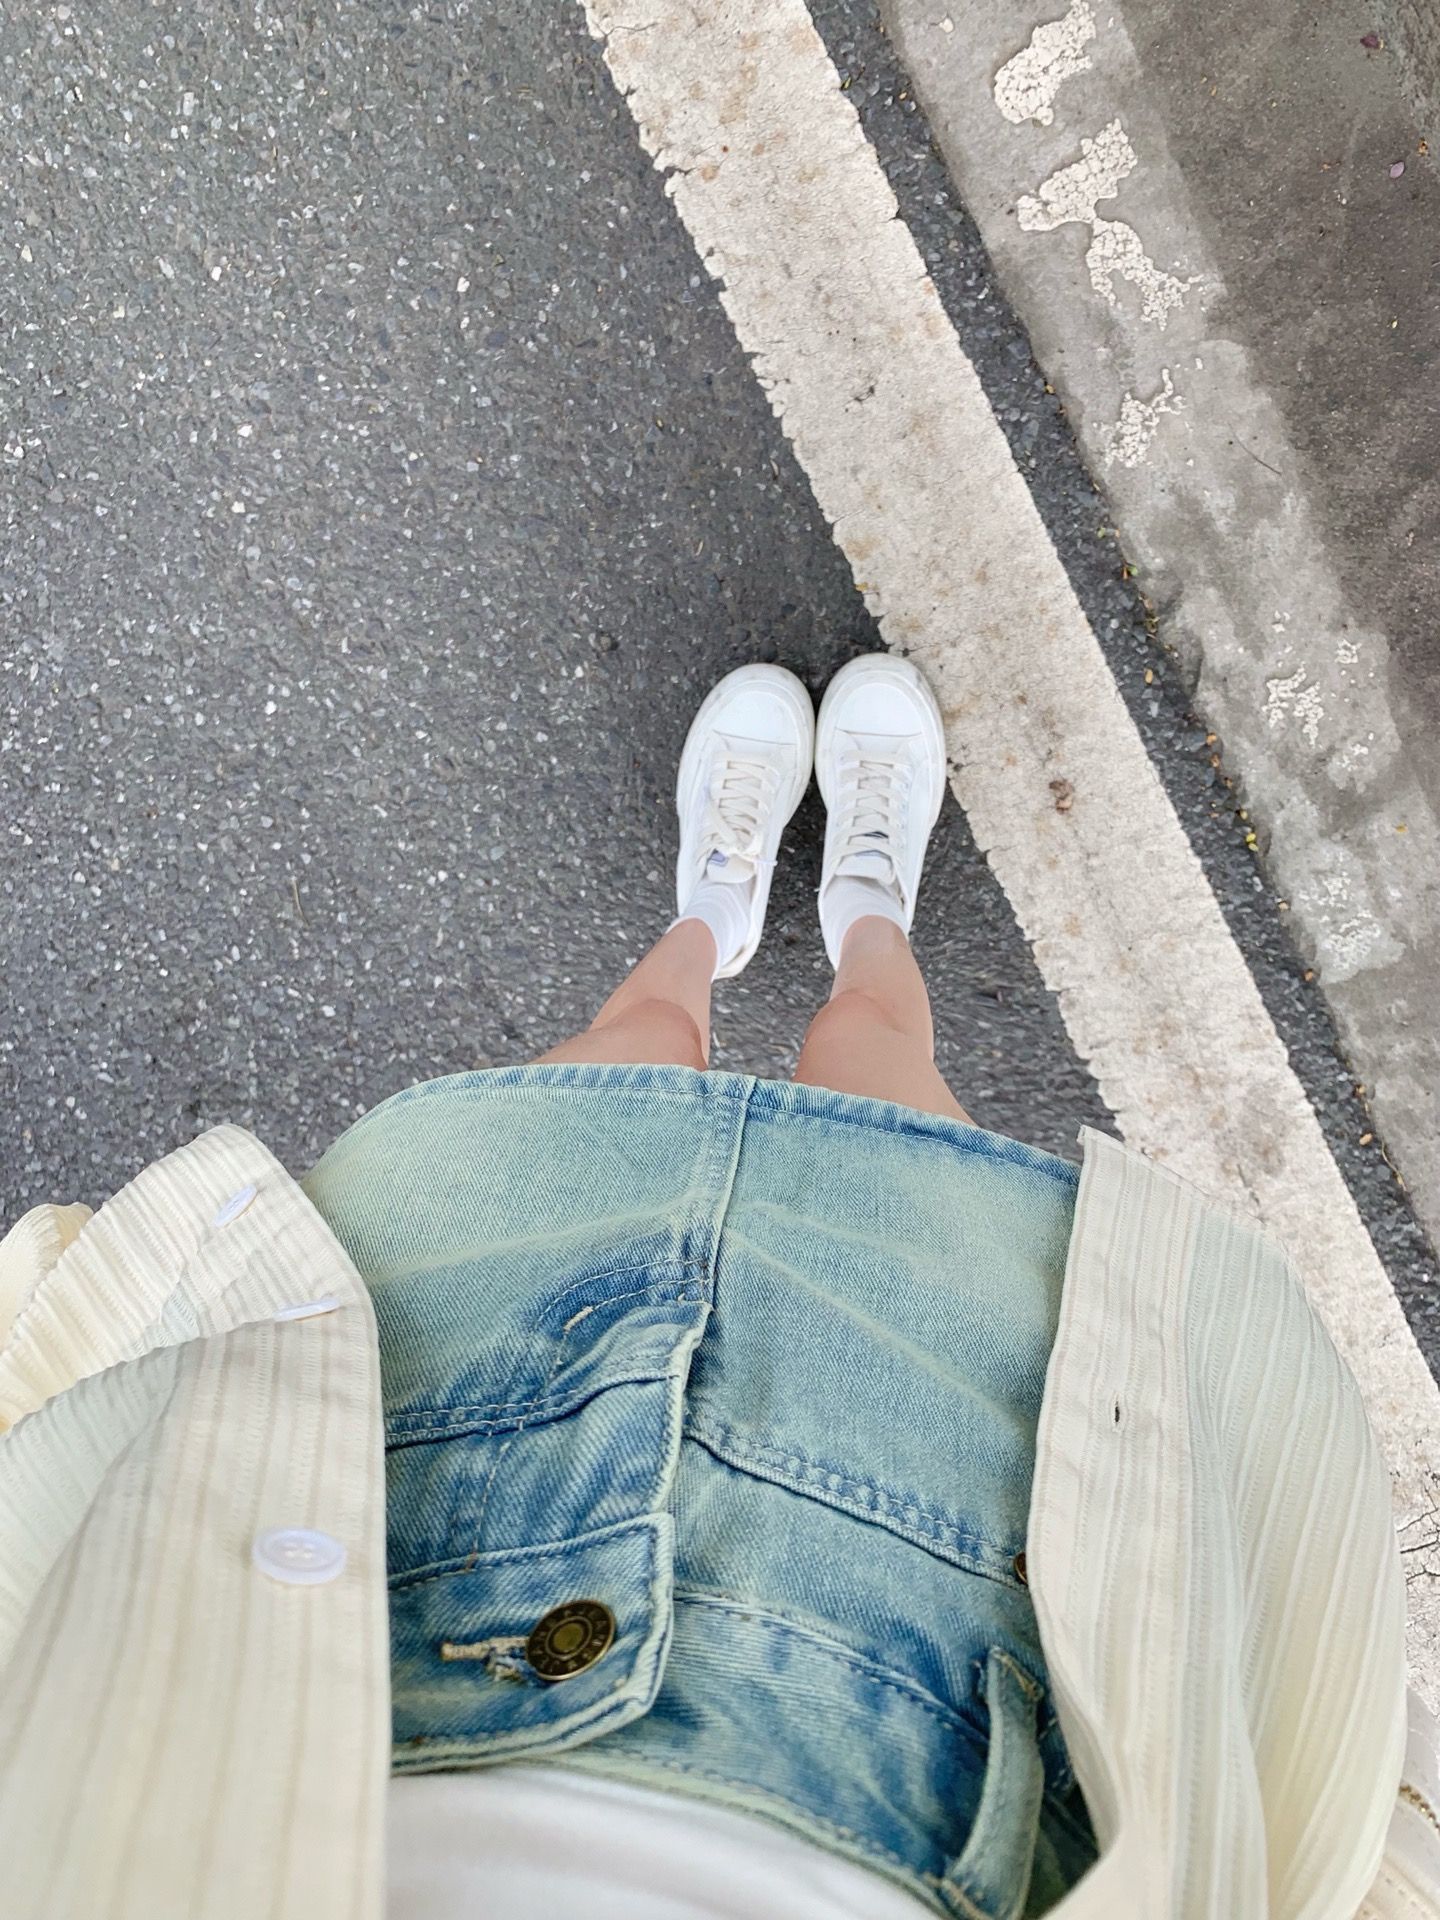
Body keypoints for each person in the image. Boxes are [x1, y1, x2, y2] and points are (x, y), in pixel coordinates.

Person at [1, 654, 1436, 1920]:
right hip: (947, 1710)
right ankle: (866, 909)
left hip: (357, 1528)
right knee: (876, 1068)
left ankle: (711, 914)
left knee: (623, 1054)